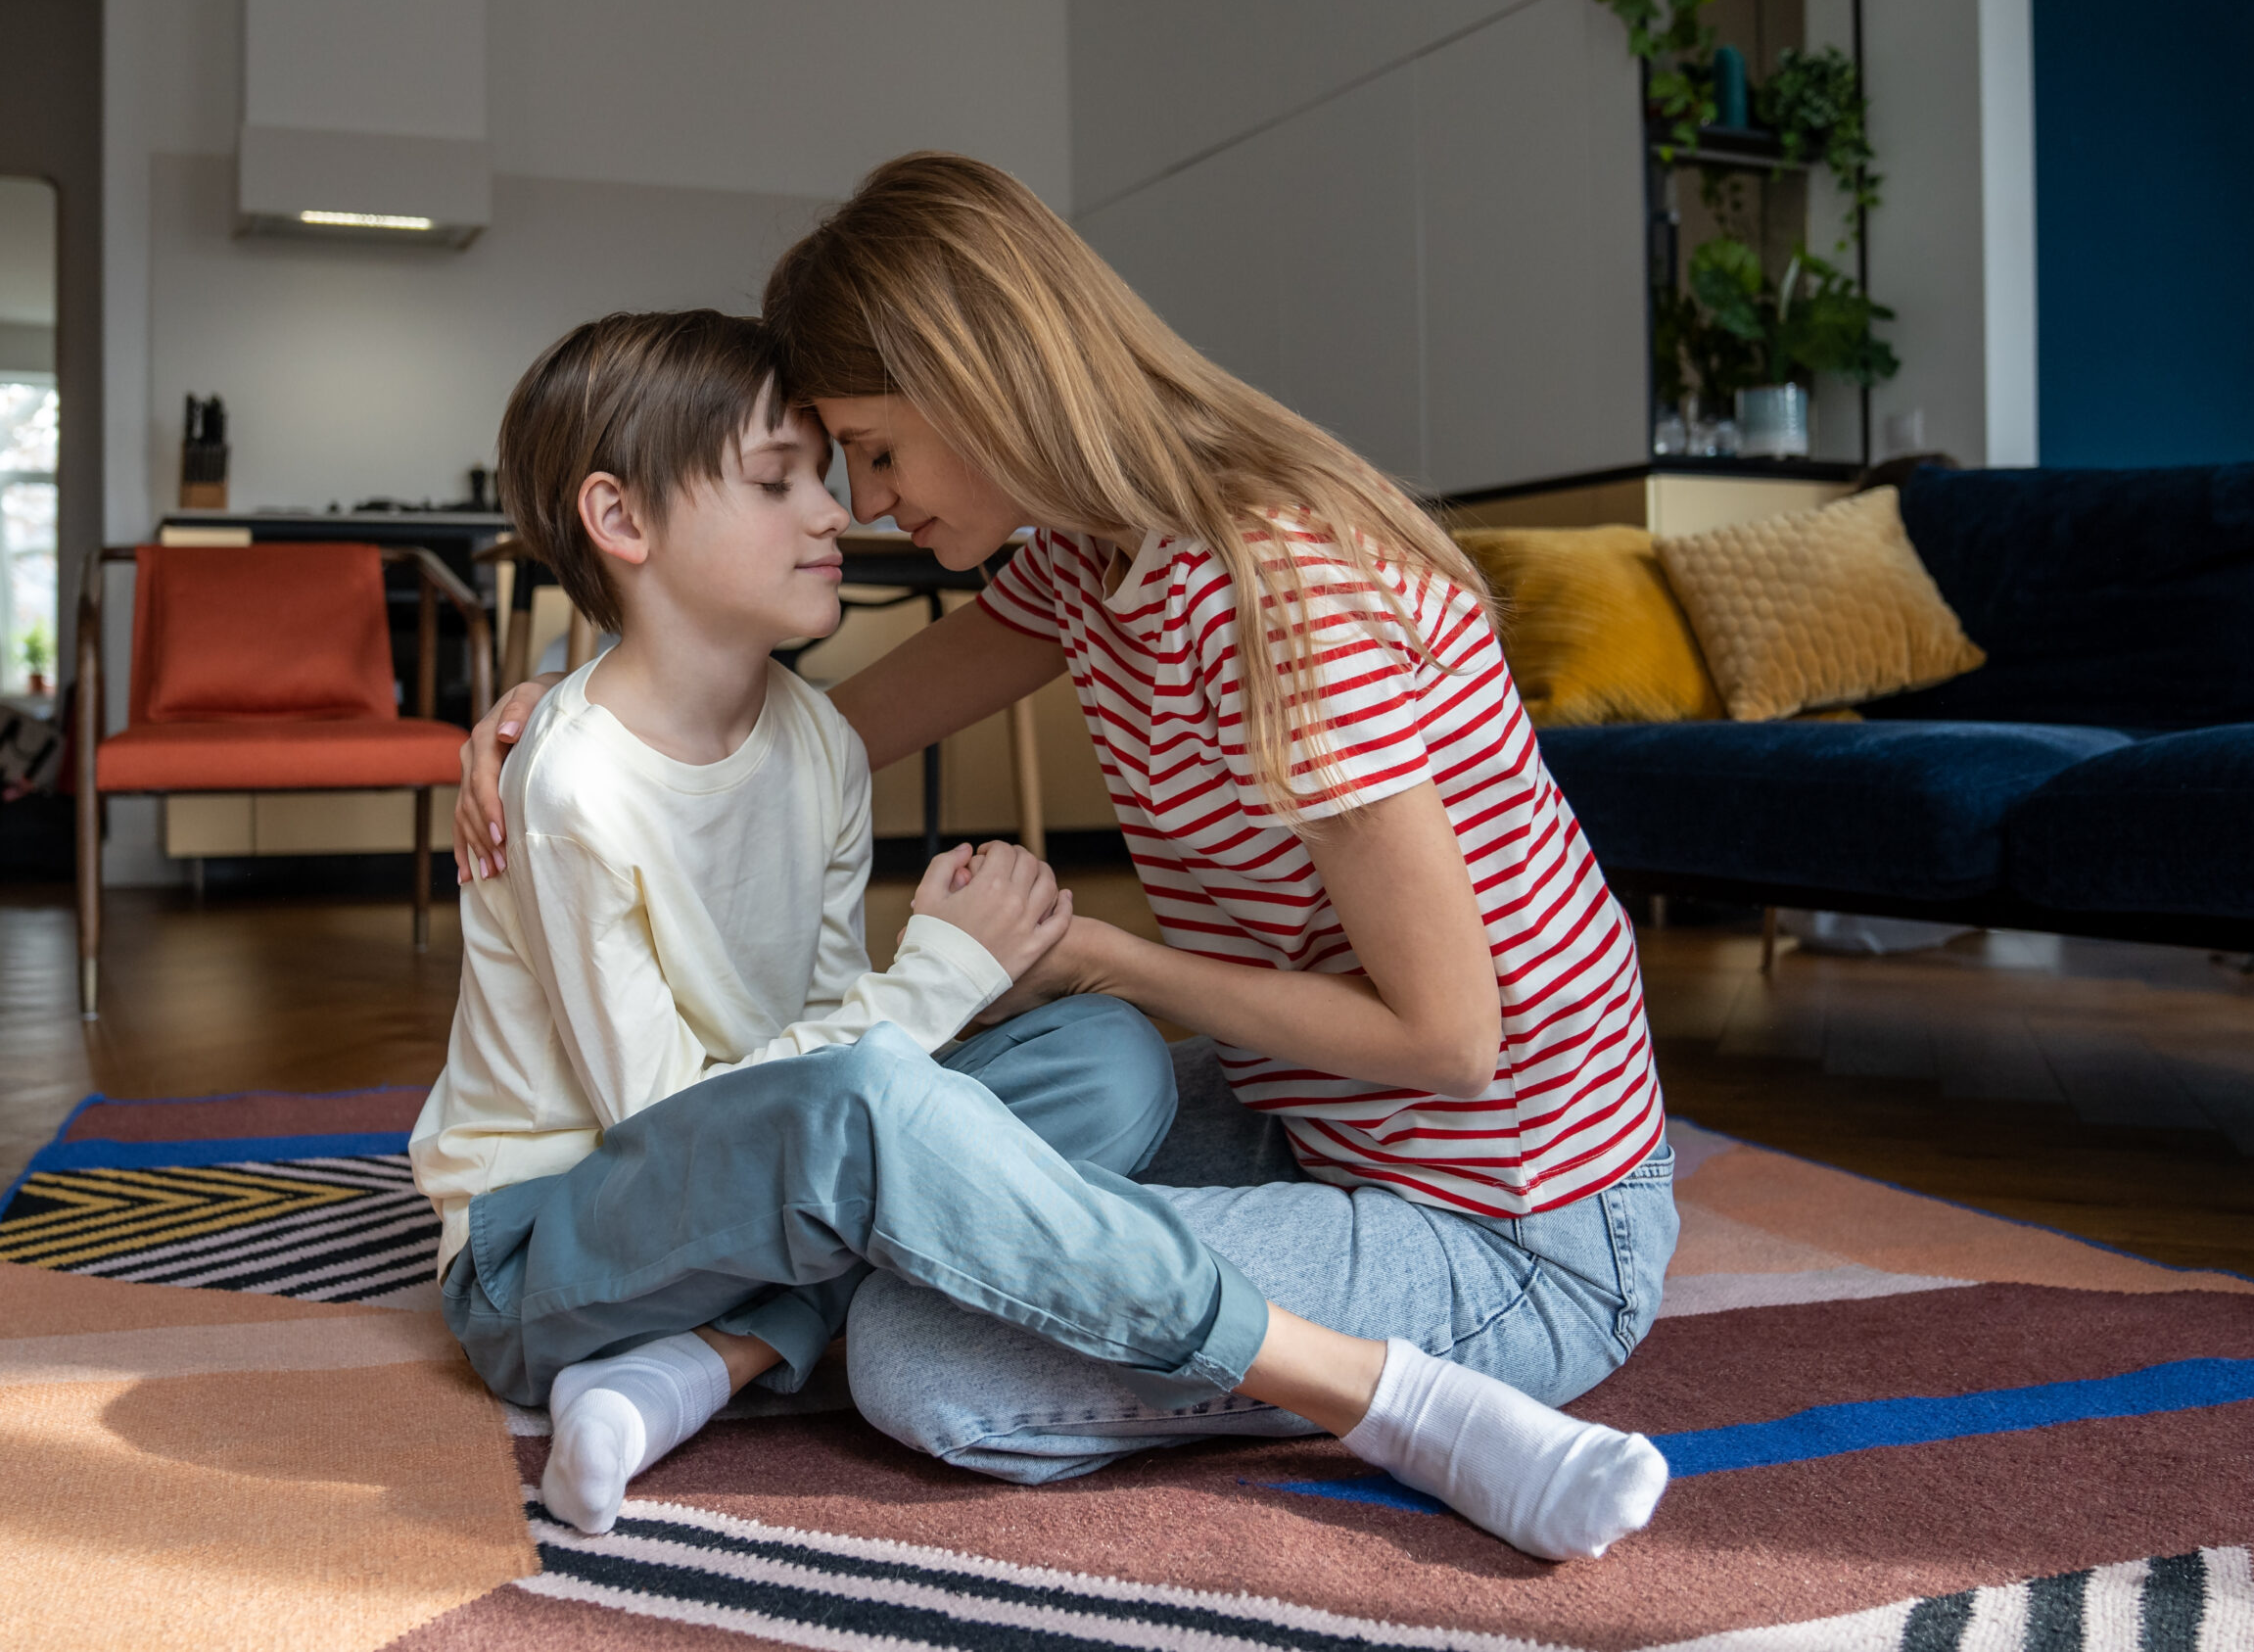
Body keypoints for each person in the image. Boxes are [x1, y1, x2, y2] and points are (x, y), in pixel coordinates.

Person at [453, 157, 1678, 1562]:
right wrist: (577, 720)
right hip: (1317, 1125)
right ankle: (718, 1352)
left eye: (876, 449)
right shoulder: (1084, 566)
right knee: (1011, 1124)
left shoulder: (1290, 597)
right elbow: (802, 742)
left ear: (981, 383)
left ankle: (1405, 1398)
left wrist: (1103, 957)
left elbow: (1451, 1041)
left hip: (1519, 1226)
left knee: (921, 1353)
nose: (865, 502)